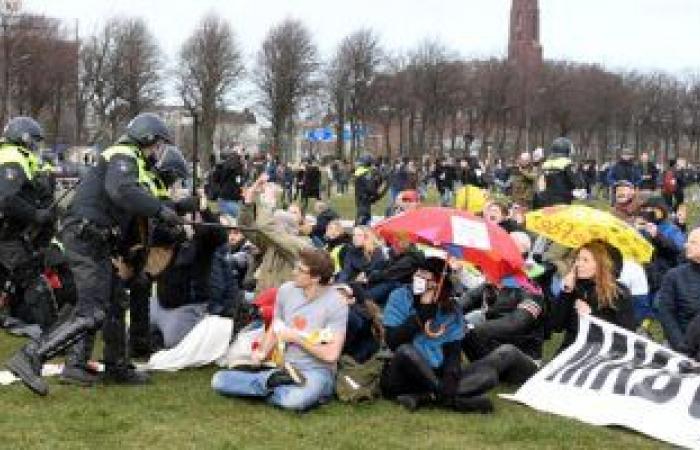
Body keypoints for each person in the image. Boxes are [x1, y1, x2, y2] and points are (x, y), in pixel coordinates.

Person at [6, 113, 184, 396]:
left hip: (95, 239)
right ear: (147, 138)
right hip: (85, 238)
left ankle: (115, 365)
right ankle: (30, 357)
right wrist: (160, 210)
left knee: (115, 301)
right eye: (158, 144)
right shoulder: (123, 154)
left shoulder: (130, 160)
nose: (158, 152)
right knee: (91, 312)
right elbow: (121, 191)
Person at [211, 248, 348, 411]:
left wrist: (296, 338)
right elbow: (276, 327)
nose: (294, 272)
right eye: (296, 266)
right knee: (218, 380)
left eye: (300, 270)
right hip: (284, 367)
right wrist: (261, 352)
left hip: (316, 371)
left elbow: (331, 355)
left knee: (294, 400)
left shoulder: (336, 303)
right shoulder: (286, 290)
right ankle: (274, 381)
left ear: (316, 278)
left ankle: (266, 384)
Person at [381, 258, 492, 413]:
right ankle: (450, 400)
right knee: (405, 351)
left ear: (437, 282)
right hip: (403, 374)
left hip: (435, 372)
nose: (417, 276)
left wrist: (451, 378)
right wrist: (423, 312)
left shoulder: (451, 308)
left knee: (488, 374)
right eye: (417, 272)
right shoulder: (400, 296)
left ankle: (427, 396)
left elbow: (453, 352)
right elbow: (393, 341)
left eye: (424, 274)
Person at [0, 117, 56, 329]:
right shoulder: (12, 157)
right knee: (31, 276)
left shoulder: (10, 156)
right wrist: (35, 214)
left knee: (9, 277)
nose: (36, 146)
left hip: (8, 231)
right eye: (34, 141)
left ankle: (12, 319)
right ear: (23, 139)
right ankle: (51, 329)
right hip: (6, 233)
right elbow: (7, 199)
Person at [550, 241, 635, 352]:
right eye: (578, 259)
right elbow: (557, 326)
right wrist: (566, 292)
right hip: (570, 350)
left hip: (599, 355)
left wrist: (591, 316)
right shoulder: (576, 287)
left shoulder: (618, 292)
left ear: (601, 264)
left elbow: (625, 336)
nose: (578, 264)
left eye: (585, 260)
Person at [655, 228, 700, 355]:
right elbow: (666, 313)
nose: (686, 245)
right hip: (682, 349)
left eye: (693, 242)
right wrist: (681, 346)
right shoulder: (674, 276)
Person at [536, 137, 580, 207]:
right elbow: (575, 182)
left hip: (546, 198)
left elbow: (541, 183)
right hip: (563, 199)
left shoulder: (546, 164)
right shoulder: (567, 164)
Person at [354, 154, 382, 225]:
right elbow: (370, 188)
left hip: (359, 198)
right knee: (363, 218)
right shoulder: (366, 174)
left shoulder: (359, 171)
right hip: (365, 199)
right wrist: (376, 194)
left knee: (361, 215)